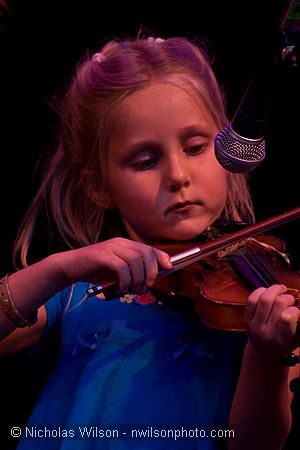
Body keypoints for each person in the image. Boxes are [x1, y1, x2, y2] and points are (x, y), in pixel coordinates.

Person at [0, 34, 299, 450]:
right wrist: (58, 268)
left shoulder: (264, 298)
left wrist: (265, 355)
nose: (177, 175)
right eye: (145, 160)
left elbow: (256, 444)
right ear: (99, 187)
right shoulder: (78, 292)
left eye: (196, 147)